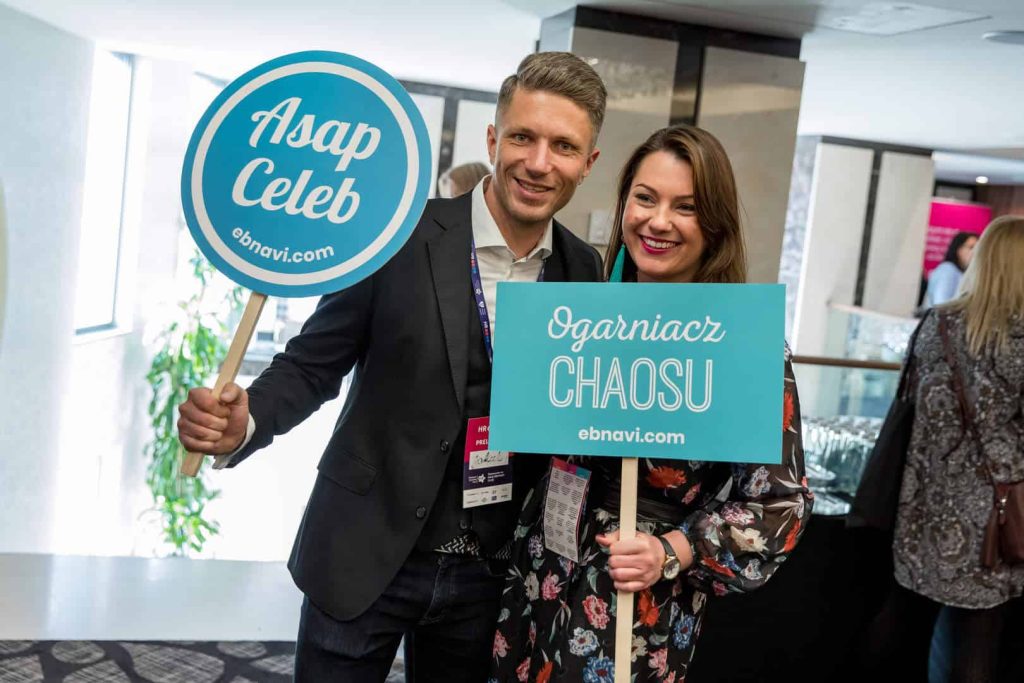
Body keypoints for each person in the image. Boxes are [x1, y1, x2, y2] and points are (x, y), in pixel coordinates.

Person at [176, 51, 607, 683]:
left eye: (563, 146)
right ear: (493, 140)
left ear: (588, 163)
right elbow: (312, 364)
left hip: (487, 571)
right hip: (364, 547)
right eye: (523, 137)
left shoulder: (584, 270)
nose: (539, 163)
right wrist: (248, 420)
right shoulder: (396, 237)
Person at [491, 125, 813, 682]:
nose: (658, 221)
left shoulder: (744, 343)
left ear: (714, 224)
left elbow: (781, 504)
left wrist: (675, 549)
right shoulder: (578, 317)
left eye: (685, 207)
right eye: (645, 198)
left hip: (635, 601)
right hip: (538, 575)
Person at [864, 216, 1024, 682]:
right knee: (977, 640)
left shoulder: (939, 323)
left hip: (922, 504)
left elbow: (907, 402)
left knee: (901, 623)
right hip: (995, 523)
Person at [923, 231, 979, 308]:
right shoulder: (948, 270)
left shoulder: (960, 272)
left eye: (978, 248)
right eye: (971, 247)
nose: (975, 252)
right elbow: (941, 305)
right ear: (959, 249)